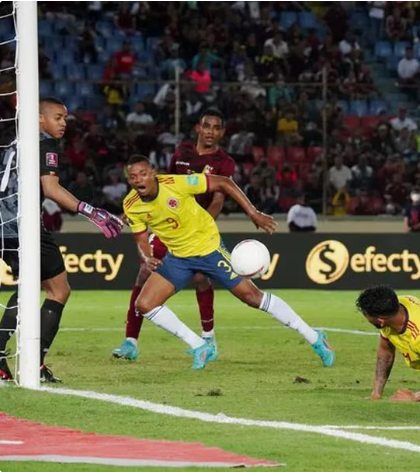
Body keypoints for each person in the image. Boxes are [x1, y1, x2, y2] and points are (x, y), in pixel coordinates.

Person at [122, 156, 334, 370]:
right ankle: (199, 346)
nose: (139, 179)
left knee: (252, 297)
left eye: (143, 174)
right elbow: (141, 238)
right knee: (145, 304)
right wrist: (147, 257)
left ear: (154, 173)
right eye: (133, 176)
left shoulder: (177, 184)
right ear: (129, 181)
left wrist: (253, 213)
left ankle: (315, 338)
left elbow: (224, 182)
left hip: (209, 249)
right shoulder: (131, 205)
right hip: (179, 257)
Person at [0, 97, 123, 383]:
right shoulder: (43, 143)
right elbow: (51, 188)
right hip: (24, 226)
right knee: (57, 291)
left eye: (65, 118)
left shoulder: (12, 142)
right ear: (39, 119)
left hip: (4, 226)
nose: (63, 123)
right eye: (57, 117)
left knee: (44, 287)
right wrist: (90, 210)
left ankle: (30, 361)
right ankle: (34, 363)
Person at [112, 110, 236, 362]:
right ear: (198, 128)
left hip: (198, 230)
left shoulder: (225, 162)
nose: (210, 131)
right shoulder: (182, 153)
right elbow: (161, 185)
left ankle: (208, 336)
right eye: (206, 126)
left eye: (216, 127)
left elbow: (219, 198)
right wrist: (132, 213)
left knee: (201, 278)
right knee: (144, 273)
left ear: (221, 132)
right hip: (168, 226)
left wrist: (199, 229)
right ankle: (130, 341)